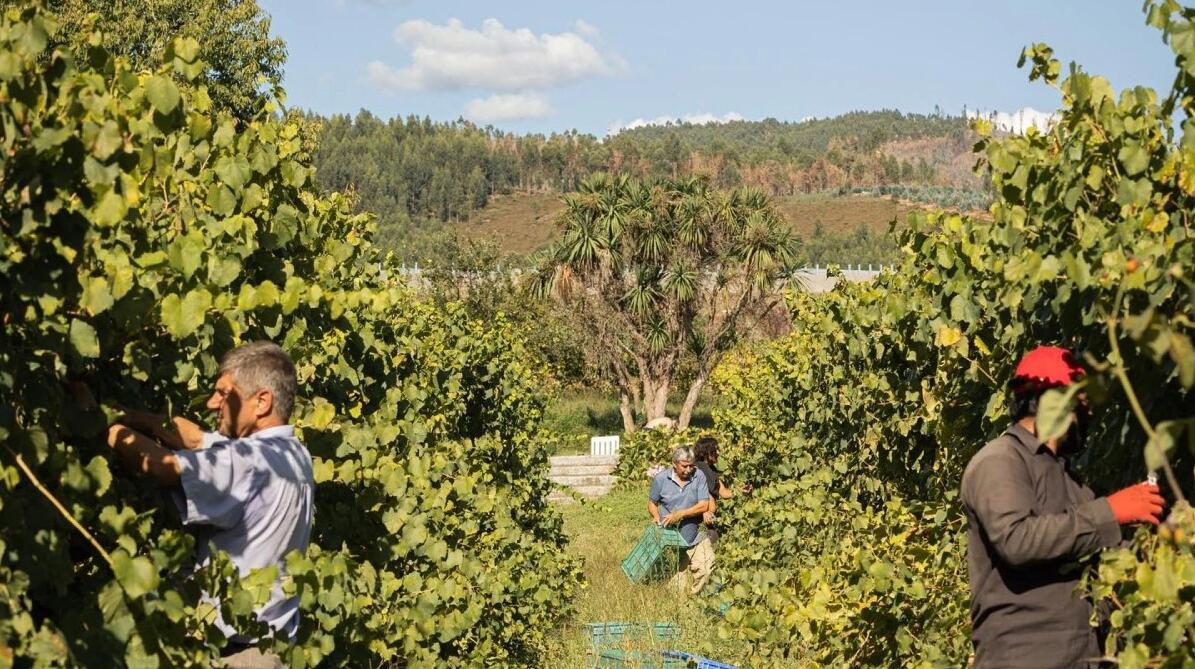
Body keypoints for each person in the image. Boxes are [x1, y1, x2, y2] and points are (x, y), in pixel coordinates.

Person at [107, 341, 314, 669]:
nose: (211, 403)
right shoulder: (292, 454)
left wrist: (109, 427)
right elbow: (197, 438)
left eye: (223, 393)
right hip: (273, 647)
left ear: (261, 401)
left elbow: (163, 466)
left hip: (238, 655)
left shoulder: (248, 462)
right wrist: (135, 417)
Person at [961, 345, 1165, 669]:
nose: (1086, 417)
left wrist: (1161, 544)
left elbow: (1100, 555)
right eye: (1081, 405)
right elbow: (1017, 540)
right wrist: (1110, 510)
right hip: (1025, 659)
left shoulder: (1073, 484)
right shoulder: (999, 460)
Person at [648, 446, 713, 595]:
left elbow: (704, 505)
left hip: (695, 535)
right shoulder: (661, 479)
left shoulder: (699, 476)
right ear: (674, 464)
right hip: (671, 538)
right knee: (676, 585)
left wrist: (680, 514)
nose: (689, 470)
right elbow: (652, 503)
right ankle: (681, 608)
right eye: (684, 466)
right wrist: (656, 517)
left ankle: (694, 597)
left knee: (707, 568)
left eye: (691, 465)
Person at [692, 436, 752, 543]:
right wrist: (704, 511)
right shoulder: (697, 469)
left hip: (708, 520)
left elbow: (723, 492)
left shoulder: (712, 470)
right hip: (698, 519)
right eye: (715, 450)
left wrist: (740, 491)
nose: (718, 453)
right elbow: (694, 493)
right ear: (706, 453)